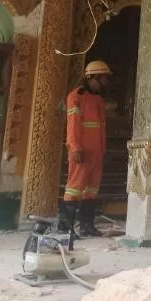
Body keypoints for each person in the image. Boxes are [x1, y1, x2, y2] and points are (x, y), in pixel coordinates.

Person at [60, 60, 112, 237]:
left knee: (91, 190)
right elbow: (73, 125)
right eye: (103, 79)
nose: (105, 82)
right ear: (92, 77)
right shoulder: (76, 96)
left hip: (96, 152)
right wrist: (75, 148)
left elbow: (100, 128)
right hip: (81, 151)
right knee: (74, 188)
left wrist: (102, 150)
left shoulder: (98, 99)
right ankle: (67, 229)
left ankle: (87, 226)